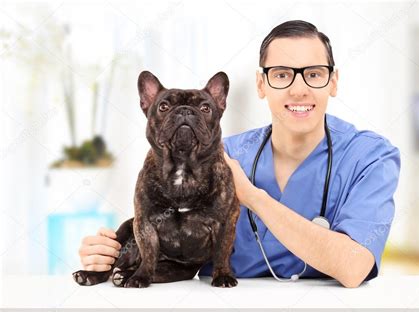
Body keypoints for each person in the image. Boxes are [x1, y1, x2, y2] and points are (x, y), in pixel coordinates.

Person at [78, 20, 400, 288]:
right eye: (282, 74)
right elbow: (167, 237)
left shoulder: (371, 157)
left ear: (333, 81)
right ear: (261, 85)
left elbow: (355, 268)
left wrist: (251, 196)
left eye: (314, 74)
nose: (299, 89)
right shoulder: (220, 154)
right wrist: (110, 253)